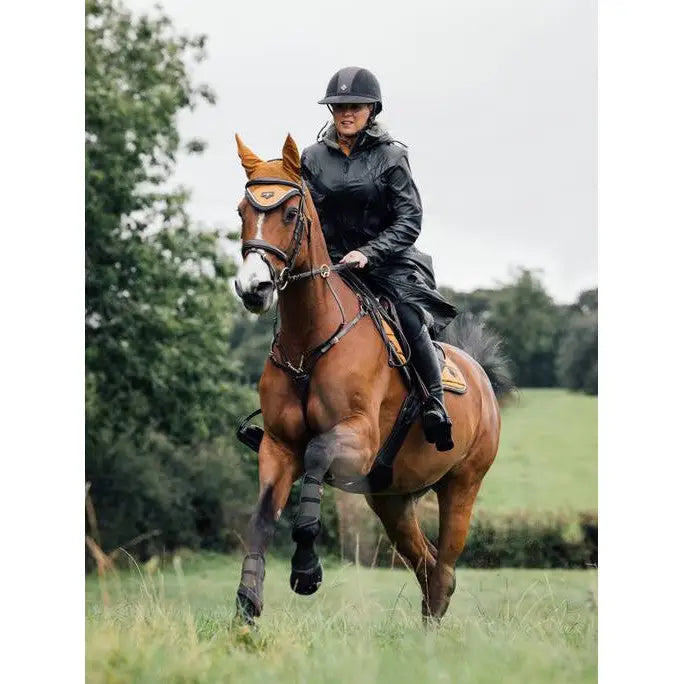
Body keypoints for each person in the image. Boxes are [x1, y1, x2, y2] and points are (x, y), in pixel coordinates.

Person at [301, 66, 458, 452]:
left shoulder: (391, 156)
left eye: (354, 106)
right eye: (338, 107)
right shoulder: (313, 157)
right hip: (334, 266)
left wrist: (369, 252)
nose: (345, 113)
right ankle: (283, 415)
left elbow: (410, 219)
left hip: (388, 264)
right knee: (297, 318)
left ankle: (434, 402)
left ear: (372, 109)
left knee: (406, 316)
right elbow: (307, 216)